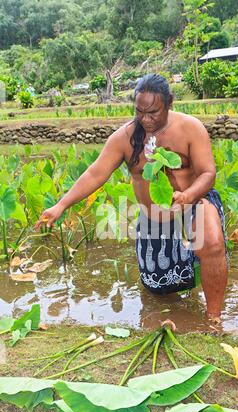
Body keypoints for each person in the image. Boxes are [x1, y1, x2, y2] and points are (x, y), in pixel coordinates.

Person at [35, 73, 228, 321]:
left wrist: (188, 194)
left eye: (153, 112)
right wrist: (61, 205)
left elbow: (208, 173)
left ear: (170, 102)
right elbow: (95, 173)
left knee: (210, 240)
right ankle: (178, 306)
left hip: (193, 202)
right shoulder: (125, 137)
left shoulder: (190, 128)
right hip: (154, 219)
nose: (145, 119)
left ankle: (214, 318)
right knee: (158, 287)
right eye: (139, 112)